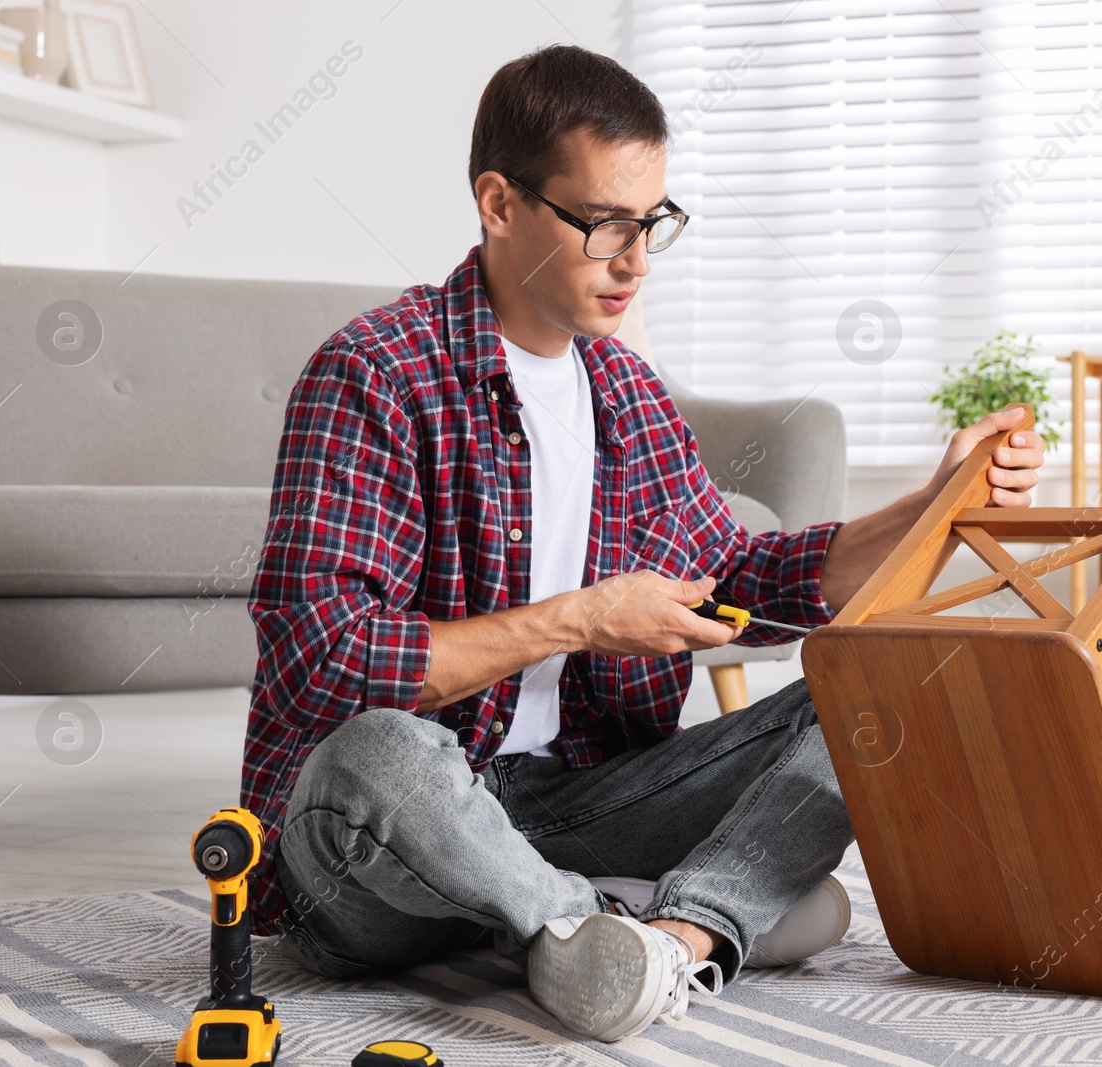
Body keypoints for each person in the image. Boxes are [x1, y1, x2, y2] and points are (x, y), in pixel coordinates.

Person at [239, 43, 1045, 1043]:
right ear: (499, 203)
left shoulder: (625, 393)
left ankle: (651, 938)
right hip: (384, 835)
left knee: (877, 689)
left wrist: (929, 506)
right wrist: (577, 619)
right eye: (605, 224)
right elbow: (325, 663)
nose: (637, 260)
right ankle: (610, 920)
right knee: (380, 751)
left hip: (569, 800)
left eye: (653, 221)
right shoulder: (374, 373)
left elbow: (742, 582)